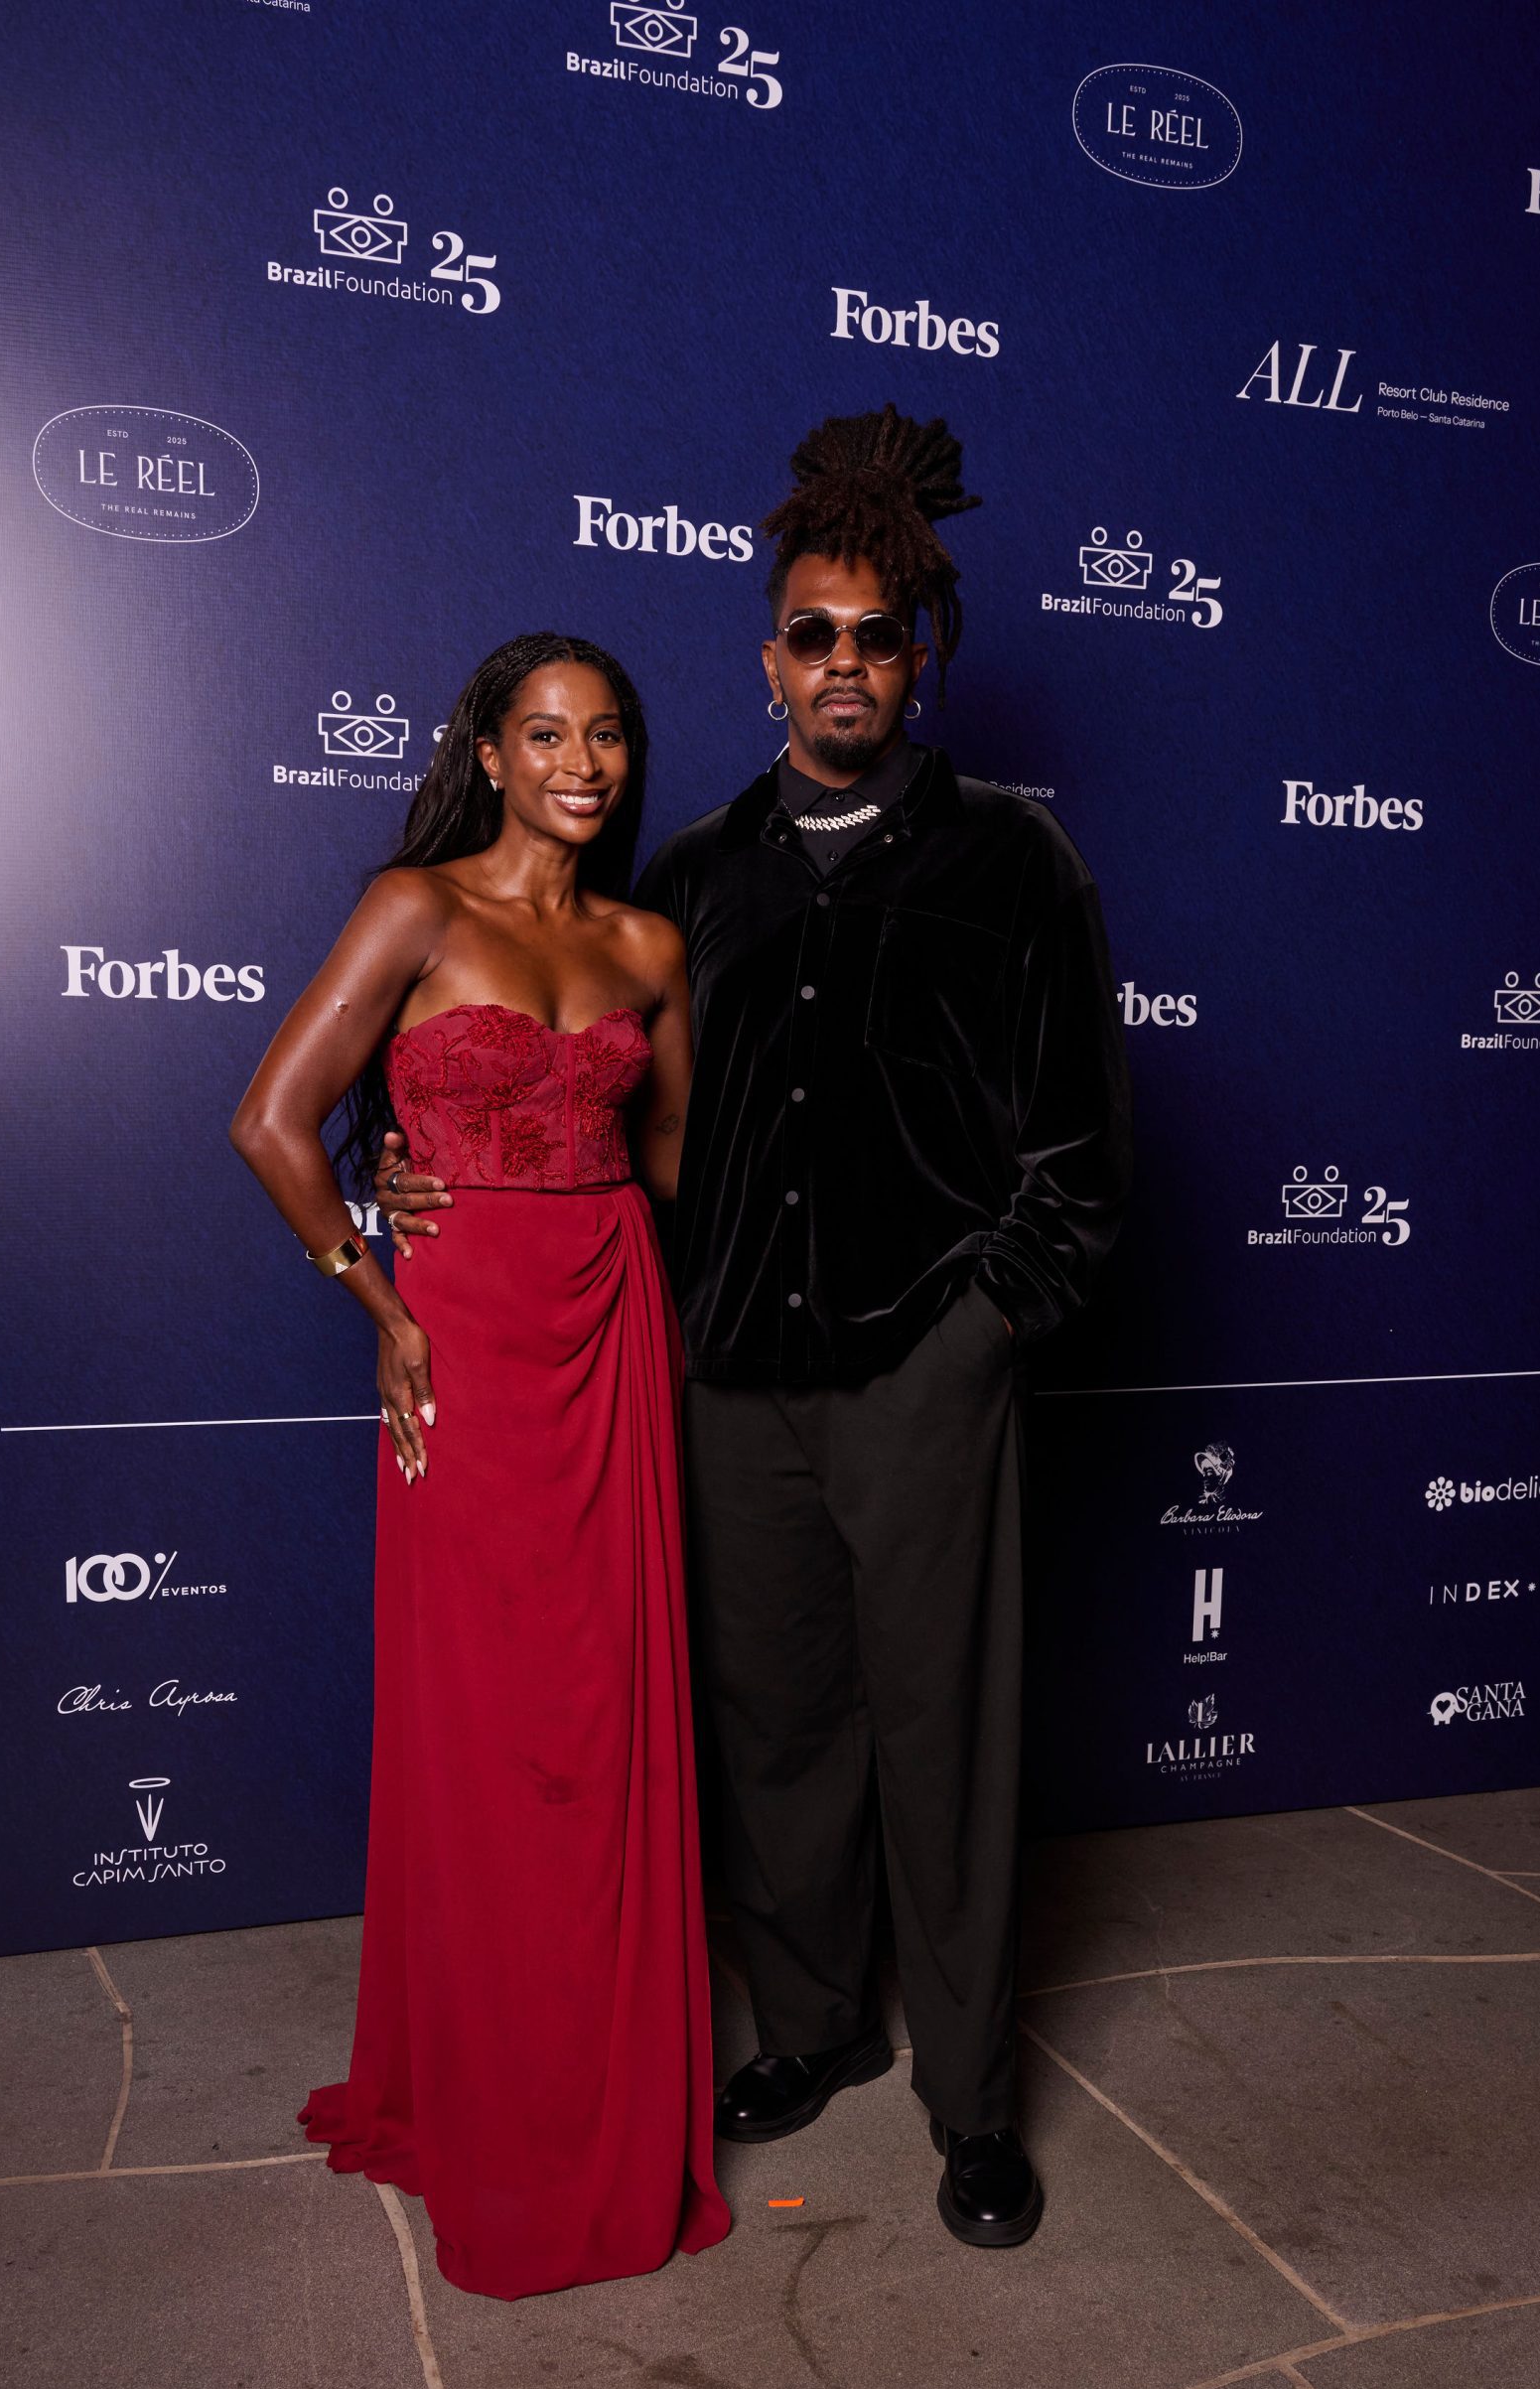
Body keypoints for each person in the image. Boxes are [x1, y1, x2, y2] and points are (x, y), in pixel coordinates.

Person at [385, 411, 1132, 2248]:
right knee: (777, 1731)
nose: (845, 662)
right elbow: (601, 1115)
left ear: (919, 657)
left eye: (878, 635)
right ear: (769, 658)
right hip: (724, 1376)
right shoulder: (698, 876)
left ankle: (972, 2104)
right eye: (815, 633)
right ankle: (812, 2026)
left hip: (922, 1374)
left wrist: (977, 1336)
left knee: (944, 1744)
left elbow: (1078, 1164)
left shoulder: (1013, 864)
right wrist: (414, 1177)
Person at [229, 632, 730, 2300]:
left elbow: (675, 1157)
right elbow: (271, 1120)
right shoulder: (417, 908)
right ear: (492, 753)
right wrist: (376, 1289)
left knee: (605, 1712)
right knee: (487, 1720)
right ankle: (490, 2089)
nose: (582, 762)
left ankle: (604, 2087)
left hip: (614, 1325)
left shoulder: (650, 943)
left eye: (608, 734)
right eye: (547, 733)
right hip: (464, 1346)